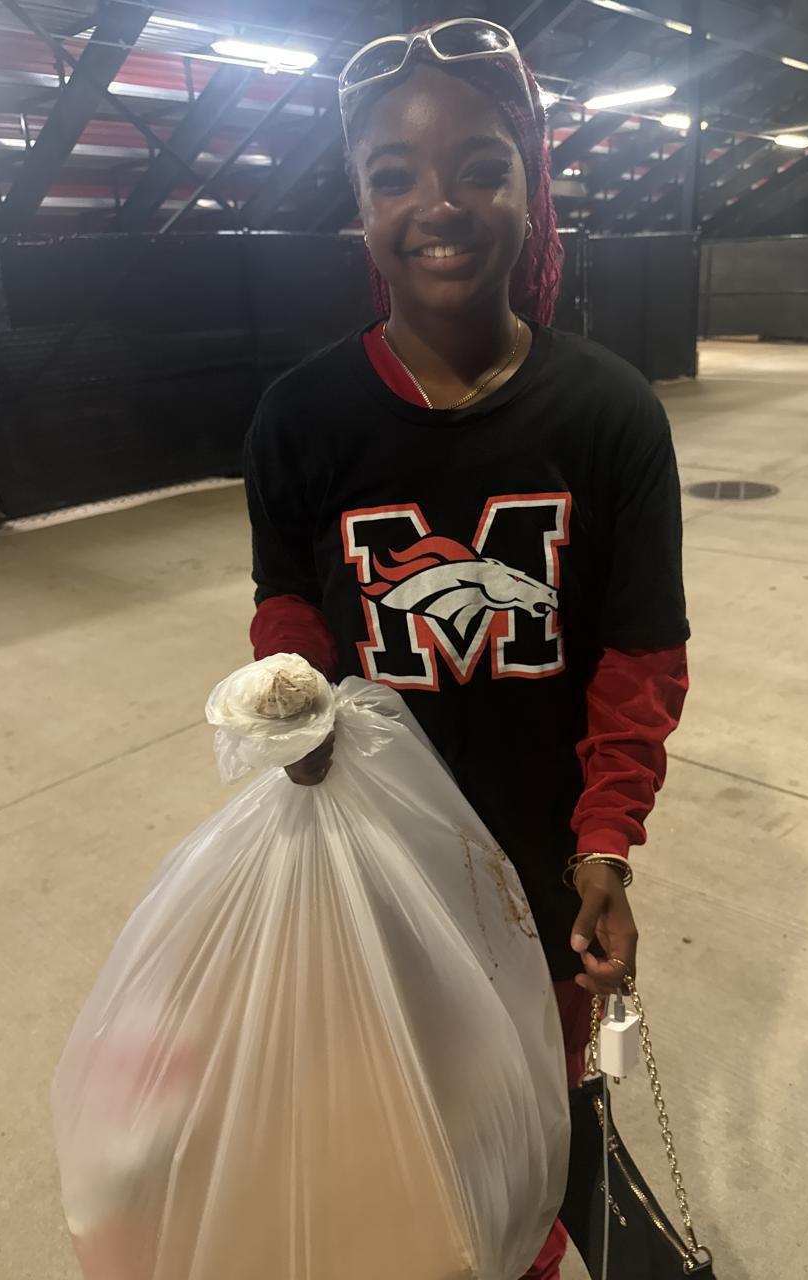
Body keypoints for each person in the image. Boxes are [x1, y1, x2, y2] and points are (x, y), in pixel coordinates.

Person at [243, 19, 689, 1280]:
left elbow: (640, 654)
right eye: (394, 177)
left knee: (529, 1124)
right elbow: (290, 599)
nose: (438, 206)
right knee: (402, 1124)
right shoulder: (301, 417)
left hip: (540, 873)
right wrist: (290, 696)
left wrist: (607, 840)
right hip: (378, 869)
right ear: (361, 206)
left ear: (531, 186)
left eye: (481, 168)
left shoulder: (608, 411)